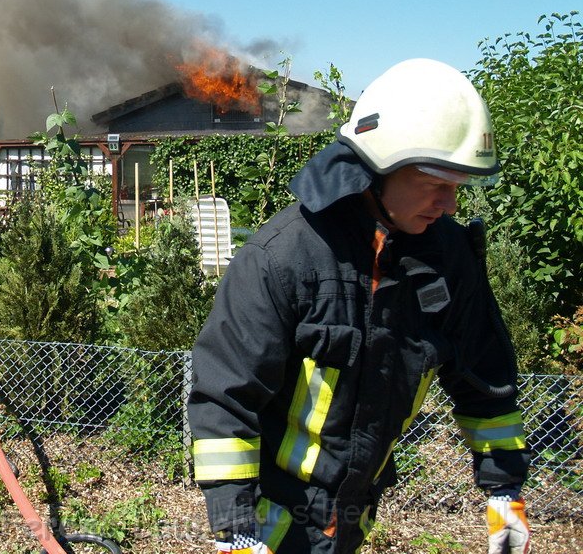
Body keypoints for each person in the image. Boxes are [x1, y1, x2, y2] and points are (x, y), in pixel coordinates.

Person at [188, 58, 530, 554]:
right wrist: (236, 527)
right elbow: (225, 396)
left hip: (353, 514)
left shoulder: (448, 256)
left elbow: (484, 377)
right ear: (379, 166)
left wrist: (505, 491)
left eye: (459, 186)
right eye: (437, 183)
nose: (450, 204)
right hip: (272, 521)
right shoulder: (284, 257)